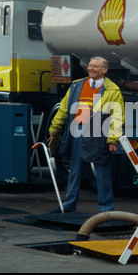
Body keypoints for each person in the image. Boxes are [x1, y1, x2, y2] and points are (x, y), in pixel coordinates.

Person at [48, 56, 125, 212]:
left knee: (102, 171)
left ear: (105, 70)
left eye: (96, 66)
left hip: (98, 132)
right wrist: (55, 128)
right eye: (90, 65)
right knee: (75, 171)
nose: (91, 69)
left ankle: (106, 209)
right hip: (77, 130)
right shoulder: (77, 85)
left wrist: (113, 139)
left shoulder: (112, 90)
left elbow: (117, 116)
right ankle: (68, 206)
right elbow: (64, 109)